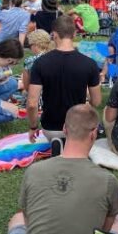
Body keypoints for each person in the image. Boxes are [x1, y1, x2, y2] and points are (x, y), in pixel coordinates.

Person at [2, 104, 118, 234]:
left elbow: (29, 222)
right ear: (94, 134)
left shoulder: (34, 171)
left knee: (17, 219)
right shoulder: (108, 181)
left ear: (65, 129)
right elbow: (104, 231)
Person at [27, 15, 101, 145]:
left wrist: (33, 127)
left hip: (50, 128)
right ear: (74, 34)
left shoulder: (40, 63)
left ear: (54, 35)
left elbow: (32, 103)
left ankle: (59, 144)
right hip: (78, 127)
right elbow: (96, 101)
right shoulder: (89, 64)